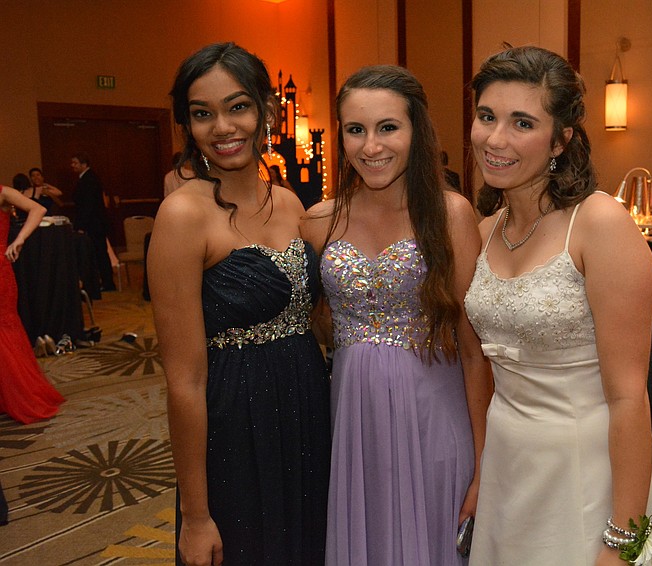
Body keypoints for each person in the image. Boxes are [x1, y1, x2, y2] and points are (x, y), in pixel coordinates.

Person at [463, 46, 652, 565]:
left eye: (522, 123)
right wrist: (479, 470)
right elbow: (481, 366)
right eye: (487, 117)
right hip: (508, 467)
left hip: (583, 469)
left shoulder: (598, 224)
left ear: (561, 139)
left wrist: (623, 540)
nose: (495, 139)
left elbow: (629, 397)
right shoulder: (484, 230)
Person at [148, 42, 330, 566]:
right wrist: (197, 515)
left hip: (306, 407)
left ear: (265, 111)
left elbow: (318, 315)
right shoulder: (183, 215)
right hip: (234, 421)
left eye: (237, 107)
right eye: (202, 114)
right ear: (187, 124)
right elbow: (183, 380)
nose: (222, 127)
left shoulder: (290, 202)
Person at [300, 65, 491, 566]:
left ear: (415, 131)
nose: (371, 146)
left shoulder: (451, 215)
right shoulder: (320, 221)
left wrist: (484, 464)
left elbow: (475, 353)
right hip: (354, 425)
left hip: (433, 418)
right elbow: (313, 322)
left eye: (388, 127)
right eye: (355, 130)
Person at [0, 184, 66, 423]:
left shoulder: (3, 192)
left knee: (4, 332)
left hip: (0, 272)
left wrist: (19, 239)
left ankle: (22, 396)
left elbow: (37, 209)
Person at [70, 152, 116, 291]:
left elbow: (87, 206)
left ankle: (107, 283)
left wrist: (81, 226)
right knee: (99, 253)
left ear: (84, 165)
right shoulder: (88, 178)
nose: (72, 166)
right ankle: (104, 282)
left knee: (99, 253)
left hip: (94, 224)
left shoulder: (88, 179)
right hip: (95, 223)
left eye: (75, 163)